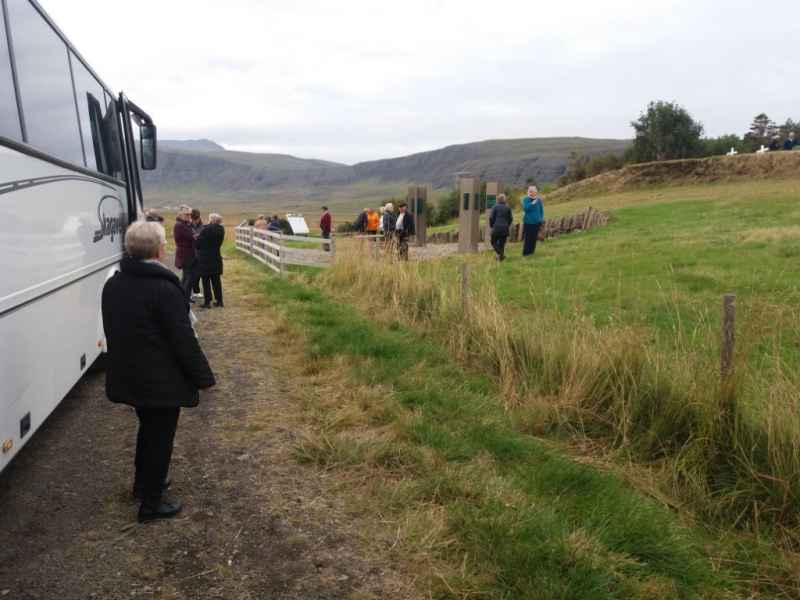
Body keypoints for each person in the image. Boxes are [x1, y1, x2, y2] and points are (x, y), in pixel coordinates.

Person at [102, 220, 216, 523]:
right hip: (160, 380)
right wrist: (204, 378)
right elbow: (183, 339)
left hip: (130, 373)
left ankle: (143, 485)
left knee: (148, 430)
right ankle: (151, 504)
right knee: (160, 439)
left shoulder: (113, 284)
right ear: (159, 250)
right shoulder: (164, 288)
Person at [197, 213, 225, 308]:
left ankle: (207, 302)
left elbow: (198, 243)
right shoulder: (221, 230)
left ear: (212, 220)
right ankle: (219, 301)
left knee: (205, 281)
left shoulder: (206, 229)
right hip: (216, 257)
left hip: (205, 258)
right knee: (216, 281)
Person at [173, 206, 198, 301]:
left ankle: (183, 297)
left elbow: (193, 236)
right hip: (185, 255)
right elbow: (192, 237)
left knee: (186, 277)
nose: (189, 216)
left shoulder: (185, 224)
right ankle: (184, 299)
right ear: (180, 214)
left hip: (188, 254)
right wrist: (195, 235)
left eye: (190, 214)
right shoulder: (180, 225)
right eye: (186, 214)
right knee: (189, 277)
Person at [489, 194, 513, 261]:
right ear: (505, 200)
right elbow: (511, 218)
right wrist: (507, 225)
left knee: (493, 241)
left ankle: (500, 254)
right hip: (505, 228)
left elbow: (491, 218)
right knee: (502, 244)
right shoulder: (508, 207)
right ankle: (501, 257)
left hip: (496, 227)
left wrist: (492, 225)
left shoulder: (495, 207)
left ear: (498, 200)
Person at [522, 186, 544, 257]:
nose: (531, 193)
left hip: (537, 222)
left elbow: (541, 210)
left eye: (532, 192)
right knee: (528, 238)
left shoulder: (539, 200)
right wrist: (532, 204)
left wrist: (541, 218)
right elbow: (525, 208)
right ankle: (526, 253)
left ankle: (531, 252)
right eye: (530, 191)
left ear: (535, 192)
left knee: (534, 238)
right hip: (528, 222)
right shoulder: (526, 199)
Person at [190, 209, 204, 296]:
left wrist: (198, 236)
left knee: (198, 273)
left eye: (196, 219)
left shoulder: (202, 226)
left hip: (199, 252)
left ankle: (196, 291)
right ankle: (188, 292)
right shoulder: (188, 225)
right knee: (189, 273)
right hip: (190, 251)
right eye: (193, 219)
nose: (195, 221)